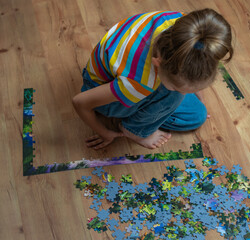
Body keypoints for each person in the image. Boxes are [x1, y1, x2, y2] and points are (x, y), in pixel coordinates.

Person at [72, 8, 233, 150]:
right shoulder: (139, 83)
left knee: (198, 111)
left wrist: (197, 92)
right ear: (158, 63)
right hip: (101, 89)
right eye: (178, 87)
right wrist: (105, 133)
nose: (186, 92)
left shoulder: (185, 28)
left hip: (119, 68)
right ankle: (135, 131)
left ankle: (175, 91)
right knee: (195, 116)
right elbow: (80, 102)